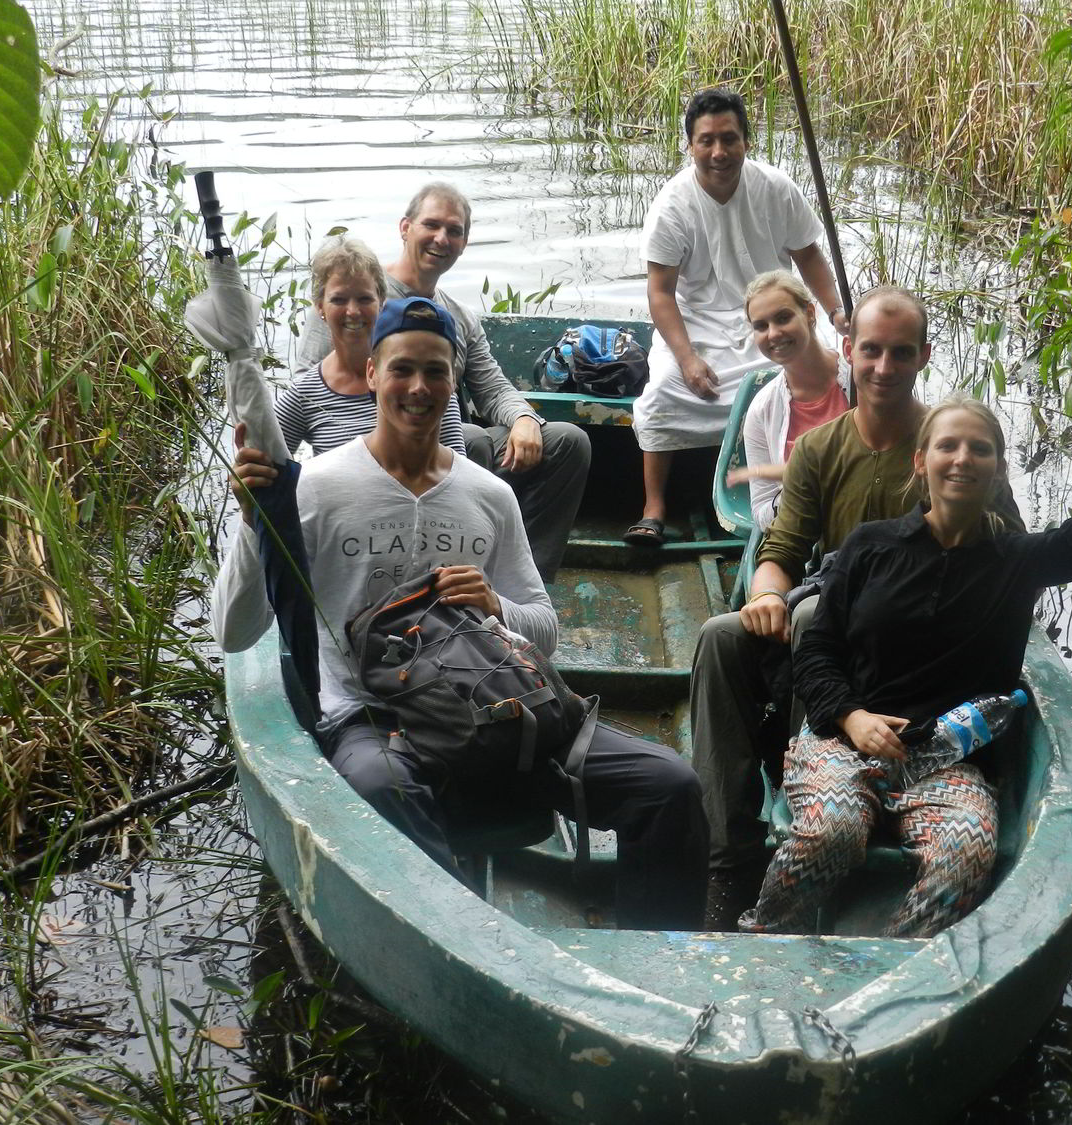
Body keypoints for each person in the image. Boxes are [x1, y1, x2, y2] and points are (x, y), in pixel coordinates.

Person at [217, 297, 707, 930]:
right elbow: (234, 631)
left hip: (496, 708)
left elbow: (545, 630)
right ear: (371, 374)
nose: (419, 388)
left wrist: (494, 605)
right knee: (378, 789)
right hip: (376, 714)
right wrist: (258, 522)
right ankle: (460, 946)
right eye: (402, 369)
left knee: (669, 785)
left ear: (455, 382)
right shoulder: (315, 488)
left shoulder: (488, 494)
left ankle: (663, 962)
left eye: (436, 371)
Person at [740, 321, 1072, 936]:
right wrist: (852, 718)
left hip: (947, 762)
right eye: (948, 446)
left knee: (966, 851)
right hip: (844, 745)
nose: (963, 459)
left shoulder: (1015, 561)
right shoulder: (871, 548)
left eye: (980, 449)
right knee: (832, 830)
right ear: (920, 461)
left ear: (997, 467)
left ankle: (899, 961)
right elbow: (816, 652)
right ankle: (768, 938)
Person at [691, 285, 1022, 930]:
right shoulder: (822, 448)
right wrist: (764, 592)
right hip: (831, 602)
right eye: (871, 351)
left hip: (906, 633)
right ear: (849, 350)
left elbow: (1010, 549)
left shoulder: (948, 446)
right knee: (720, 636)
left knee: (813, 622)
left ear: (922, 357)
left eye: (900, 354)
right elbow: (784, 542)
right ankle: (727, 850)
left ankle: (816, 798)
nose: (883, 368)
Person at [296, 184, 590, 581]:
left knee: (568, 442)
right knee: (473, 438)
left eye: (453, 231)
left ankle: (524, 582)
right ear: (405, 228)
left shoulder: (460, 316)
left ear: (464, 243)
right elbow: (314, 385)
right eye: (431, 225)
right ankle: (449, 566)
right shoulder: (358, 297)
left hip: (443, 436)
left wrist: (523, 419)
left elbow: (491, 386)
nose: (441, 239)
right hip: (381, 444)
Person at [626, 89, 850, 547]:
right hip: (697, 322)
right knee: (665, 390)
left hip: (767, 317)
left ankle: (803, 486)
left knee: (819, 376)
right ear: (689, 145)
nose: (719, 152)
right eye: (706, 140)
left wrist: (836, 311)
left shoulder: (774, 187)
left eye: (729, 139)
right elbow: (661, 293)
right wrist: (687, 358)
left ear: (746, 141)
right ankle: (654, 508)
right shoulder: (673, 204)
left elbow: (809, 256)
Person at [278, 235, 466, 456]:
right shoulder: (305, 392)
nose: (353, 311)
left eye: (364, 299)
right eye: (339, 300)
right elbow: (268, 465)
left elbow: (455, 466)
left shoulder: (421, 380)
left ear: (381, 302)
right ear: (320, 307)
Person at [725, 270, 850, 531]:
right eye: (761, 326)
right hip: (806, 534)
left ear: (810, 313)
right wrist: (802, 494)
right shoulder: (761, 410)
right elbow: (761, 510)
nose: (773, 334)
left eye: (783, 318)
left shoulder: (861, 377)